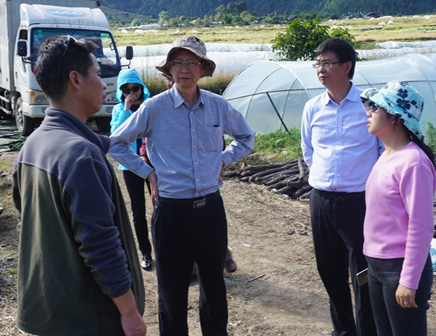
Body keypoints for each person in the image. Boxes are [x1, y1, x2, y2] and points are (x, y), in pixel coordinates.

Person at [109, 35, 255, 335]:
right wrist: (147, 172)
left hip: (210, 210)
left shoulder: (217, 106)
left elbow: (246, 137)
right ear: (169, 70)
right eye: (178, 62)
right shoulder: (154, 108)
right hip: (172, 212)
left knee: (213, 287)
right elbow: (116, 144)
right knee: (172, 293)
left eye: (191, 62)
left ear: (202, 68)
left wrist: (223, 160)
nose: (184, 69)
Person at [12, 35, 146, 336]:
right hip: (89, 319)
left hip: (51, 312)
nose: (103, 83)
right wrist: (129, 313)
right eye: (97, 74)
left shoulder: (32, 146)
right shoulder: (80, 156)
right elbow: (100, 245)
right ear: (76, 79)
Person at [301, 38, 381, 336]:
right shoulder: (312, 107)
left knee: (363, 272)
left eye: (327, 63)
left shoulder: (369, 106)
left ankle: (367, 330)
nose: (320, 69)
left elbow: (380, 152)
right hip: (321, 201)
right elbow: (309, 151)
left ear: (347, 67)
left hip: (360, 202)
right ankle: (343, 331)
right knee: (329, 271)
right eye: (317, 63)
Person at [361, 81, 435, 336]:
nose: (368, 112)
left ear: (395, 117)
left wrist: (409, 280)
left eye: (375, 107)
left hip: (399, 268)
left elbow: (421, 226)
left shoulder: (413, 163)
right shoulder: (387, 154)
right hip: (377, 263)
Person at [111, 68, 153, 271]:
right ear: (120, 91)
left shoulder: (150, 106)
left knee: (161, 207)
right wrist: (126, 109)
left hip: (153, 164)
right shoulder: (118, 110)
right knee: (138, 211)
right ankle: (145, 252)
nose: (132, 93)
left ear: (141, 87)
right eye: (126, 90)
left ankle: (166, 249)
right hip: (130, 166)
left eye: (135, 88)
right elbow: (116, 136)